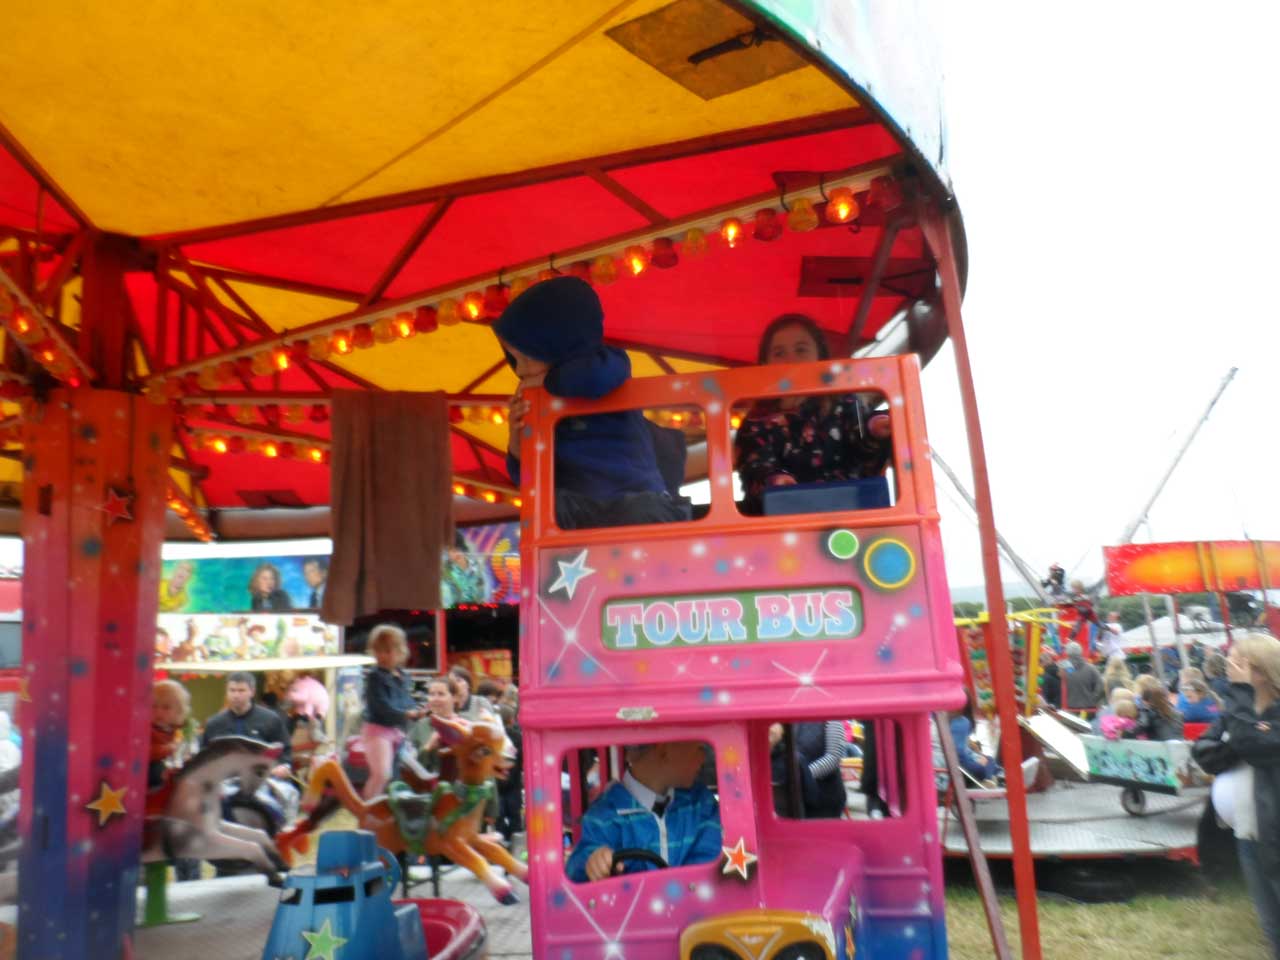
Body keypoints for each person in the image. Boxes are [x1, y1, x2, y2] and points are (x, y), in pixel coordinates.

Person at [495, 275, 690, 530]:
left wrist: (550, 382)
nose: (520, 370)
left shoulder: (607, 362)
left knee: (645, 511)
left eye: (526, 358)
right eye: (514, 359)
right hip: (580, 506)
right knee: (546, 508)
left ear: (557, 344)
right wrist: (517, 444)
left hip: (633, 497)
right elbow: (528, 481)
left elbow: (594, 378)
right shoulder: (541, 402)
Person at [733, 314, 891, 515]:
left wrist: (874, 427)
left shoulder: (844, 402)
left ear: (820, 358)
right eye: (779, 353)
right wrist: (775, 481)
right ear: (765, 364)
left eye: (801, 350)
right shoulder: (756, 422)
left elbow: (860, 438)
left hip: (852, 512)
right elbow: (755, 466)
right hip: (786, 522)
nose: (791, 360)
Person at [1193, 633, 1280, 958]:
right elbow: (1203, 751)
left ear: (1262, 669)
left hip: (1275, 834)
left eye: (1238, 661)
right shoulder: (1237, 713)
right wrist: (1238, 743)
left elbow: (1254, 744)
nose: (1230, 667)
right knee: (1271, 925)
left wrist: (1240, 702)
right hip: (1247, 835)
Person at [565, 740, 721, 882]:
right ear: (663, 751)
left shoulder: (701, 804)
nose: (702, 757)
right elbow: (575, 871)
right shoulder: (604, 817)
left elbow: (711, 860)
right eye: (698, 748)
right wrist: (593, 862)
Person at [361, 625, 427, 800]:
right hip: (378, 730)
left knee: (402, 772)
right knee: (382, 773)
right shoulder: (375, 677)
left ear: (400, 652)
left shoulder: (403, 676)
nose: (382, 656)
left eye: (388, 651)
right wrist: (406, 714)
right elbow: (381, 706)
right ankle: (368, 808)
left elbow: (406, 700)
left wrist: (419, 709)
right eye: (379, 651)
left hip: (397, 731)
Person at [200, 671, 292, 777]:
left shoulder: (270, 719)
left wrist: (284, 766)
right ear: (227, 692)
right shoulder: (214, 723)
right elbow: (204, 754)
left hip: (261, 781)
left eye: (241, 690)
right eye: (232, 690)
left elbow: (284, 749)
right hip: (224, 782)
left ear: (252, 692)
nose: (236, 695)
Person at [768, 720, 846, 818]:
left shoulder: (831, 720)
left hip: (824, 799)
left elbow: (833, 757)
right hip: (790, 797)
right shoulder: (785, 717)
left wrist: (803, 774)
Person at [149, 679, 191, 790]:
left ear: (179, 711)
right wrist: (167, 749)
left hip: (169, 768)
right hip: (150, 771)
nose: (159, 712)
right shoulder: (148, 730)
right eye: (154, 706)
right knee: (157, 770)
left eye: (166, 707)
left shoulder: (175, 731)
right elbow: (146, 752)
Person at [495, 703, 524, 846]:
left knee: (498, 819)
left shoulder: (493, 738)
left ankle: (501, 845)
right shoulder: (517, 737)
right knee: (515, 818)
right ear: (511, 719)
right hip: (514, 784)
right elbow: (523, 760)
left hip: (497, 784)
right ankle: (517, 848)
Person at [1133, 674, 1184, 741]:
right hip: (1179, 744)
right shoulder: (1176, 712)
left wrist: (1143, 711)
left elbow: (1137, 730)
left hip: (1161, 747)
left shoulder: (1150, 714)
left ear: (1145, 701)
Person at [1061, 641, 1104, 712]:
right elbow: (1100, 686)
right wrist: (1093, 699)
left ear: (1067, 653)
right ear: (1081, 652)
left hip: (1068, 709)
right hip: (1089, 709)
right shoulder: (1091, 668)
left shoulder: (1063, 667)